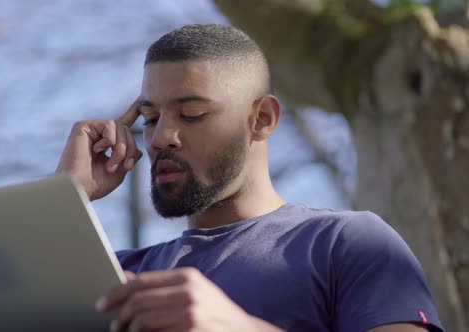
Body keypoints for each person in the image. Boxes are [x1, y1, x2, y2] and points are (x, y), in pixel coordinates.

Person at [56, 24, 444, 332]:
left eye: (190, 114)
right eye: (151, 118)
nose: (160, 140)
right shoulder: (121, 277)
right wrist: (65, 195)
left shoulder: (347, 244)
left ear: (261, 119)